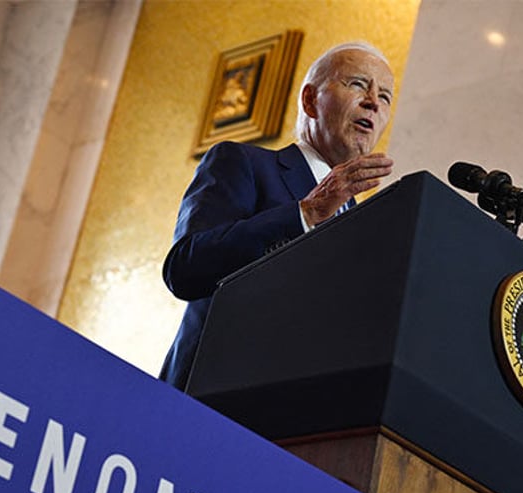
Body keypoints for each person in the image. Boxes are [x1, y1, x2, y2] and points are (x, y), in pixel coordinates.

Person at [160, 41, 396, 390]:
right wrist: (306, 213)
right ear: (310, 100)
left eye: (386, 96)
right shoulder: (244, 164)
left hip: (304, 419)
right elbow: (184, 270)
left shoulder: (362, 221)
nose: (373, 102)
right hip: (211, 398)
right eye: (358, 84)